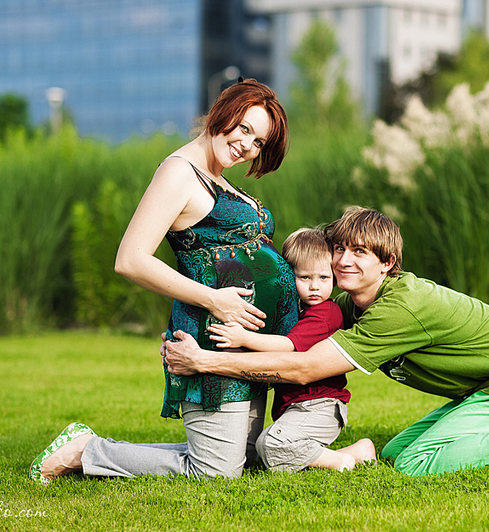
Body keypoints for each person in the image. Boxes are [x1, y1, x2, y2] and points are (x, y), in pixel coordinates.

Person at [162, 206, 489, 477]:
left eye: (360, 252)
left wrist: (205, 362)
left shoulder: (399, 308)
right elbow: (295, 336)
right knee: (396, 452)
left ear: (387, 262)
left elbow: (304, 367)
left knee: (417, 464)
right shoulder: (352, 302)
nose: (344, 260)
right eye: (340, 249)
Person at [30, 78, 298, 483]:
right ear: (223, 112)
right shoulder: (179, 173)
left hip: (244, 339)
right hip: (212, 336)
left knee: (240, 458)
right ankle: (86, 450)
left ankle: (96, 449)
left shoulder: (216, 175)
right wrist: (214, 300)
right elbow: (131, 259)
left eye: (258, 142)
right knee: (216, 472)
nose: (247, 145)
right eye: (244, 128)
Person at [207, 227, 376, 472]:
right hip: (297, 408)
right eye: (305, 278)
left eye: (324, 278)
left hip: (320, 407)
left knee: (269, 445)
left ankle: (341, 461)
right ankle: (356, 452)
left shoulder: (325, 314)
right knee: (265, 450)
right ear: (288, 275)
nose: (315, 287)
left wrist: (243, 338)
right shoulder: (294, 311)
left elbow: (287, 346)